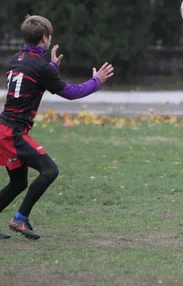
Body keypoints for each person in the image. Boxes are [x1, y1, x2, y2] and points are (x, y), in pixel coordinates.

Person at [0, 15, 114, 240]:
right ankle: (20, 219)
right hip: (13, 134)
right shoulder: (41, 68)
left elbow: (34, 75)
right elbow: (71, 93)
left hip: (5, 129)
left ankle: (20, 218)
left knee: (18, 182)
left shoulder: (16, 59)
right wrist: (97, 81)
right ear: (45, 39)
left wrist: (51, 67)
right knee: (50, 170)